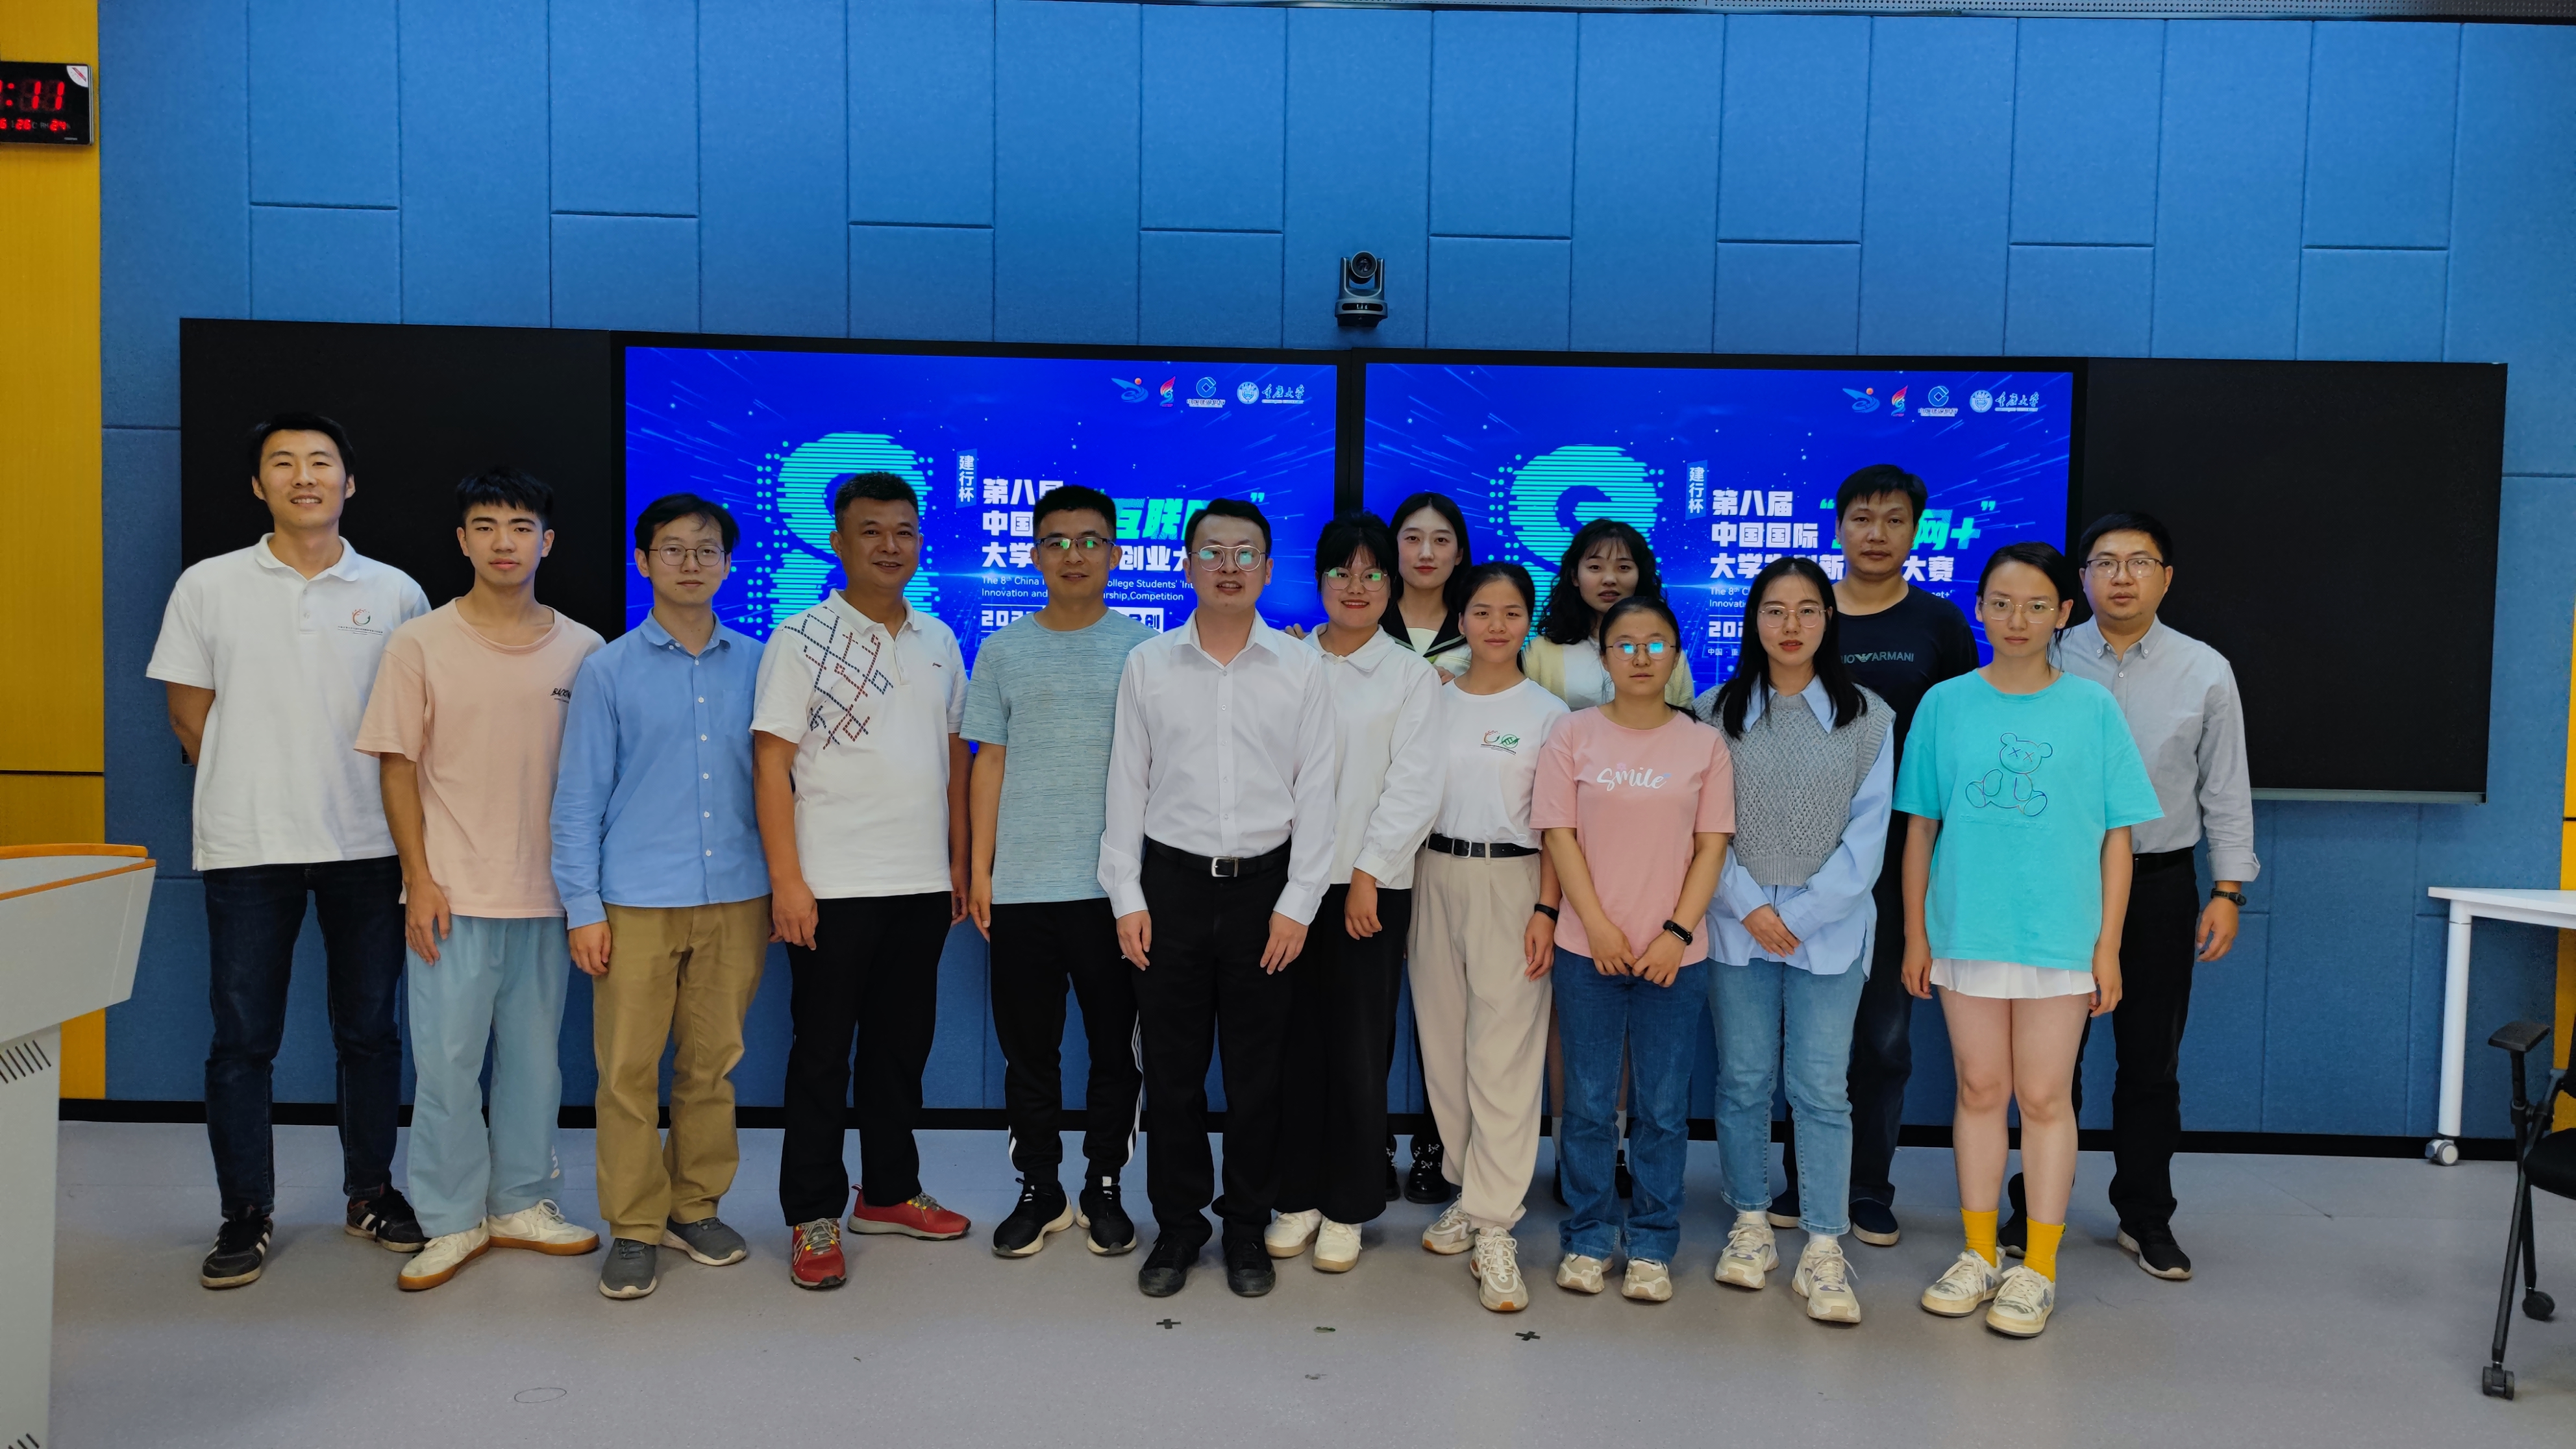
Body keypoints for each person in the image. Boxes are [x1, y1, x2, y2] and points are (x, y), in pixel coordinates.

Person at [149, 413, 431, 1289]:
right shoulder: (209, 584)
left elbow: (418, 722)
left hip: (369, 843)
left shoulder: (395, 592)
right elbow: (188, 713)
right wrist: (256, 779)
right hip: (248, 844)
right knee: (242, 1040)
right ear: (258, 484)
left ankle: (370, 1192)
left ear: (349, 482)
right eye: (283, 463)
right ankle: (246, 1212)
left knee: (371, 1033)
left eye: (320, 462)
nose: (303, 476)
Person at [1898, 540, 2160, 1338]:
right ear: (1978, 608)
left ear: (2062, 613)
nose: (2017, 619)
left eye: (2036, 605)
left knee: (2044, 1098)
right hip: (1965, 929)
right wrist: (1916, 935)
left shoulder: (2092, 709)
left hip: (2060, 936)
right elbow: (1920, 830)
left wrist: (2106, 946)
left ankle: (2036, 1267)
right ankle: (1978, 1255)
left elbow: (2117, 837)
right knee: (1978, 1091)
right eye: (2002, 603)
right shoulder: (1944, 704)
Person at [356, 469, 606, 1291]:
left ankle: (521, 1204)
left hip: (548, 897)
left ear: (547, 542)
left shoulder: (585, 650)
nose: (505, 542)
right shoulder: (419, 644)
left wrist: (585, 892)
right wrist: (419, 879)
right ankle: (450, 1219)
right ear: (462, 541)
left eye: (521, 526)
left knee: (536, 1065)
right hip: (451, 896)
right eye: (487, 526)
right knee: (447, 1068)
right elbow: (397, 768)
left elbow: (597, 780)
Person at [1996, 512, 2255, 1282]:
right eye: (2103, 562)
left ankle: (2144, 1216)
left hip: (2158, 882)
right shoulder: (2045, 655)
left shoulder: (2203, 669)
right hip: (2054, 881)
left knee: (2149, 1060)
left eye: (2138, 562)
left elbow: (2225, 787)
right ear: (2078, 580)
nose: (2120, 576)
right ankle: (2033, 1208)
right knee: (2048, 1064)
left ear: (2164, 578)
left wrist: (2228, 888)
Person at [1100, 498, 1338, 1300]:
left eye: (1244, 553)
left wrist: (1297, 904)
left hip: (1264, 894)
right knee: (1171, 1076)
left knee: (1256, 1077)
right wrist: (1126, 895)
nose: (1228, 565)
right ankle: (1177, 1228)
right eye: (1211, 552)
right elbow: (1125, 785)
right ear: (1186, 565)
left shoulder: (1300, 668)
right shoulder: (1148, 664)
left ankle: (1244, 1228)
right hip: (1167, 890)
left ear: (1267, 570)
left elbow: (1319, 792)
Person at [752, 470, 973, 1291]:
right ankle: (812, 1214)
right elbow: (769, 764)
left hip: (919, 884)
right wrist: (787, 882)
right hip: (831, 886)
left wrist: (958, 861)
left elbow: (954, 757)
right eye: (871, 531)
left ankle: (887, 1191)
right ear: (838, 542)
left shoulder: (939, 639)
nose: (889, 545)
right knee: (820, 1055)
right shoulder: (799, 637)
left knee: (899, 1050)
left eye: (903, 531)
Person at [550, 493, 769, 1300]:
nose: (690, 563)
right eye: (672, 549)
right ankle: (635, 1226)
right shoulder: (607, 669)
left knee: (712, 1067)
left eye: (706, 550)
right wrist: (583, 907)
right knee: (626, 1073)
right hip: (635, 900)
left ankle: (694, 1206)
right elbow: (577, 798)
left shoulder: (761, 664)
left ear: (727, 564)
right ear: (643, 562)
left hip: (737, 896)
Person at [1773, 464, 1980, 1249]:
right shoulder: (1809, 617)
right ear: (1837, 527)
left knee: (1883, 1037)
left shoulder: (1939, 624)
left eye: (1894, 520)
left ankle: (1865, 1188)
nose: (1876, 534)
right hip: (1800, 853)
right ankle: (1804, 1181)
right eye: (1861, 518)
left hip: (1901, 857)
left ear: (1915, 532)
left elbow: (1961, 736)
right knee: (1809, 1032)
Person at [1697, 558, 1894, 1325]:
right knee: (1743, 1081)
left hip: (1831, 929)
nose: (1790, 625)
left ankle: (1821, 1243)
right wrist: (1749, 907)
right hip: (1734, 921)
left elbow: (1868, 836)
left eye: (1807, 610)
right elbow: (1702, 828)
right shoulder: (1714, 712)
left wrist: (1803, 915)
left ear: (1827, 620)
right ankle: (1750, 1223)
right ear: (1752, 620)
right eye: (1774, 610)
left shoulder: (1867, 717)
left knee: (1819, 1089)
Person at [963, 484, 1153, 1259]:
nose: (1073, 555)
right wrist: (981, 870)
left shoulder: (1145, 650)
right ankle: (1039, 1188)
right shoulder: (1002, 650)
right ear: (1034, 553)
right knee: (1028, 1054)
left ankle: (1103, 1184)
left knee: (1115, 1052)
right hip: (1021, 889)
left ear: (1115, 554)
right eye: (1057, 541)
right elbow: (987, 763)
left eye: (1089, 541)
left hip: (1115, 893)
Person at [1533, 595, 1733, 1304]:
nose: (1641, 656)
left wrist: (1675, 933)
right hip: (1586, 952)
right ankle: (1588, 1237)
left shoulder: (1703, 744)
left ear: (1675, 654)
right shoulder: (1572, 734)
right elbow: (1559, 836)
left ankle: (1650, 1244)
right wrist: (1596, 926)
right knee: (1588, 1105)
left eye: (1655, 644)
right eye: (1625, 644)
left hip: (1674, 958)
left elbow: (1711, 847)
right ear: (1604, 656)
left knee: (1662, 1109)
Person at [1268, 514, 1442, 1273]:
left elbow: (1415, 786)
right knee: (1289, 1047)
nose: (1356, 586)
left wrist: (1368, 872)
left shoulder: (1408, 676)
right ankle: (1295, 1195)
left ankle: (1346, 1205)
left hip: (1365, 889)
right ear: (1318, 580)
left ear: (1390, 587)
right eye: (1341, 572)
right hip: (1282, 888)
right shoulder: (1284, 662)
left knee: (1357, 1048)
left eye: (1372, 574)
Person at [1409, 562, 1567, 1313]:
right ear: (1460, 619)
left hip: (1515, 881)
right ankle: (1468, 1193)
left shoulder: (1548, 714)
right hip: (1430, 875)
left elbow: (1560, 825)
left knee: (1502, 1056)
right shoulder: (1429, 699)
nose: (1495, 625)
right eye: (1481, 611)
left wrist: (1546, 909)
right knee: (1444, 1050)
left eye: (1510, 612)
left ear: (1527, 621)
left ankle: (1495, 1225)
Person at [1526, 518, 1693, 1202]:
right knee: (1572, 1024)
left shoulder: (1665, 655)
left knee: (1634, 1031)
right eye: (1595, 565)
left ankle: (1620, 1151)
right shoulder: (1543, 651)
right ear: (1573, 575)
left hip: (1644, 866)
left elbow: (1682, 744)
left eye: (1623, 566)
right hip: (1560, 858)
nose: (1609, 578)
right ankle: (1573, 1154)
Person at [1387, 491, 1476, 1202]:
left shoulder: (1483, 629)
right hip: (1375, 843)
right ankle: (1366, 1140)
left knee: (1449, 1013)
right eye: (1412, 537)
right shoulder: (1358, 623)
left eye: (1441, 539)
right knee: (1367, 1002)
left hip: (1455, 842)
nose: (1425, 552)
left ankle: (1436, 1146)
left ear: (1459, 552)